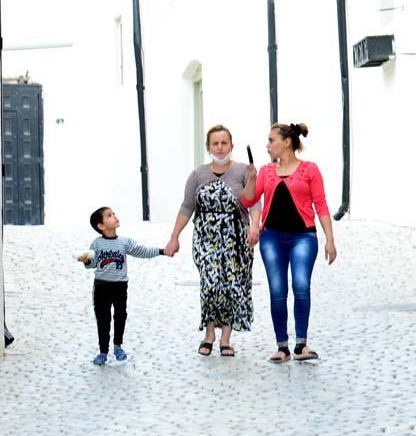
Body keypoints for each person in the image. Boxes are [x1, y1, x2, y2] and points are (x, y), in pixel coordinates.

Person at [241, 122, 337, 363]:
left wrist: (330, 240)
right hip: (271, 237)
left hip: (303, 236)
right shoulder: (266, 171)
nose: (268, 145)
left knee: (301, 286)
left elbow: (321, 205)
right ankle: (282, 346)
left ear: (286, 142)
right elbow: (247, 200)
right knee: (277, 291)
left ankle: (301, 345)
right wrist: (251, 179)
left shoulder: (310, 170)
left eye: (271, 140)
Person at [165, 125, 255, 358]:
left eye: (224, 143)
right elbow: (187, 206)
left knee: (231, 287)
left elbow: (251, 201)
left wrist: (255, 225)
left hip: (236, 238)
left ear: (231, 146)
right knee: (211, 285)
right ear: (208, 147)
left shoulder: (244, 171)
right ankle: (209, 334)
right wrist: (174, 237)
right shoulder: (198, 174)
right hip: (206, 238)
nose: (220, 147)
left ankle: (225, 338)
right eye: (215, 143)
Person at [77, 206, 170, 366]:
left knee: (120, 316)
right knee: (103, 319)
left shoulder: (124, 242)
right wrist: (86, 260)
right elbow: (92, 263)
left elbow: (142, 251)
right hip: (101, 287)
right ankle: (103, 351)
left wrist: (162, 251)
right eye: (109, 216)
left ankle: (118, 346)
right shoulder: (97, 244)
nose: (114, 216)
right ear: (101, 226)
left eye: (113, 214)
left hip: (120, 287)